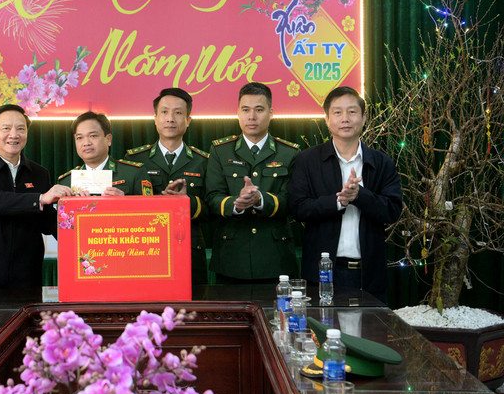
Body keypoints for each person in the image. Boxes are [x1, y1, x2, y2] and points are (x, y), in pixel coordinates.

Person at [288, 86, 402, 302]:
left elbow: (393, 211)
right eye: (337, 112)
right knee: (323, 334)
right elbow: (298, 208)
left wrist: (360, 196)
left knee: (369, 335)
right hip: (322, 274)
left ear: (364, 117)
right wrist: (339, 201)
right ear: (327, 119)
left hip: (369, 275)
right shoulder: (308, 160)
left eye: (352, 112)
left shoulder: (381, 162)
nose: (345, 119)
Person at [0, 104, 73, 289]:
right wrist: (39, 199)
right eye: (6, 128)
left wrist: (80, 219)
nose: (14, 134)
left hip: (27, 276)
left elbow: (47, 222)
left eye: (21, 129)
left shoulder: (39, 173)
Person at [205, 82, 300, 283]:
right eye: (245, 110)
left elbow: (292, 202)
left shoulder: (289, 152)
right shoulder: (220, 151)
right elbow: (212, 197)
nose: (252, 117)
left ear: (271, 113)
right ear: (237, 112)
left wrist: (260, 199)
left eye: (259, 110)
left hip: (275, 259)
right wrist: (236, 205)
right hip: (232, 259)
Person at [126, 87, 210, 284]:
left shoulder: (203, 161)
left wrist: (185, 202)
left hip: (190, 250)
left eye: (178, 113)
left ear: (188, 120)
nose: (170, 118)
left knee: (192, 311)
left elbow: (211, 207)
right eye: (164, 112)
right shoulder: (135, 159)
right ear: (155, 118)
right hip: (147, 249)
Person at [58, 111, 153, 196]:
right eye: (79, 138)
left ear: (108, 139)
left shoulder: (134, 173)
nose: (86, 143)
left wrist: (125, 204)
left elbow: (151, 212)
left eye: (93, 136)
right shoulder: (66, 181)